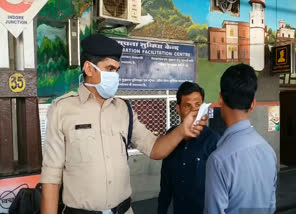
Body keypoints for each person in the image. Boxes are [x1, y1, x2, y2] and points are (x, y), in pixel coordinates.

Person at [40, 34, 208, 214]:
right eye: (109, 69)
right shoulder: (62, 109)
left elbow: (154, 149)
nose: (115, 76)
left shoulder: (123, 108)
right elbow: (51, 178)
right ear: (89, 68)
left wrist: (182, 130)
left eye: (117, 70)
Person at [204, 64, 277, 214]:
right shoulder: (269, 151)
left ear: (220, 99)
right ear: (252, 104)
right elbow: (271, 205)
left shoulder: (218, 160)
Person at [157, 82, 220, 214]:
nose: (194, 111)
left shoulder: (213, 141)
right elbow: (165, 183)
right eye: (187, 106)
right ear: (178, 109)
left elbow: (220, 189)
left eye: (198, 105)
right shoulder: (170, 137)